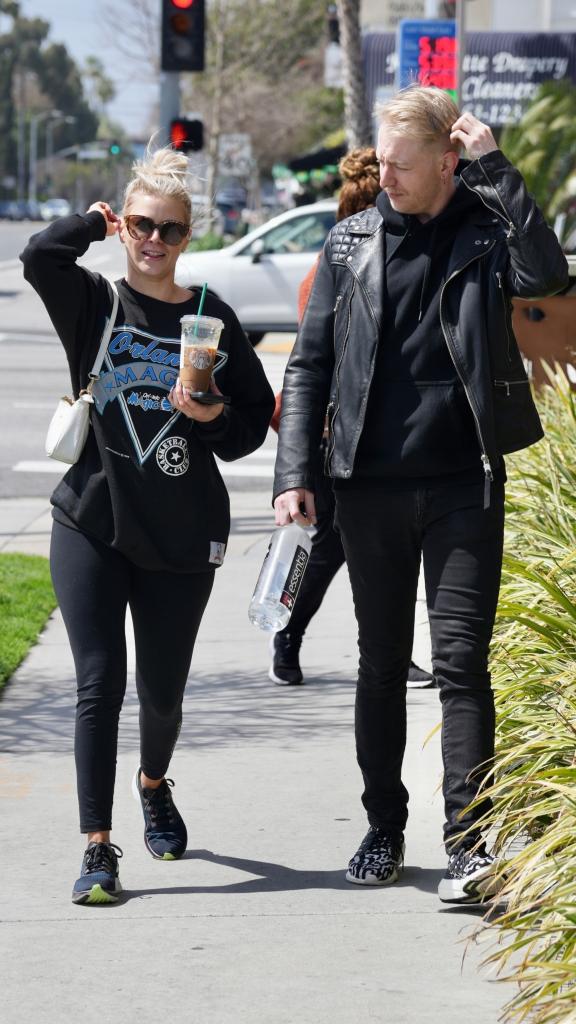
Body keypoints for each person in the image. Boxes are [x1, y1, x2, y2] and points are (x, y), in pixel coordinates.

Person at [272, 86, 568, 903]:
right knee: (377, 664)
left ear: (447, 159)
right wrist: (294, 474)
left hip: (463, 483)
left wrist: (498, 168)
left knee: (460, 665)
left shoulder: (483, 230)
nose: (387, 178)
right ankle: (383, 827)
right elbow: (308, 367)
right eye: (384, 162)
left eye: (404, 166)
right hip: (366, 487)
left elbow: (548, 271)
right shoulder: (348, 243)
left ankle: (469, 843)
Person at [21, 146, 274, 905]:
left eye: (169, 228)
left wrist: (213, 412)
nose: (154, 239)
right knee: (100, 682)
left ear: (188, 236)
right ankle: (98, 848)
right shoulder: (94, 304)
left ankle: (154, 782)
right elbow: (38, 258)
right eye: (141, 224)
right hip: (92, 518)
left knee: (162, 694)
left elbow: (251, 427)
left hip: (181, 529)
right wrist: (88, 222)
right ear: (125, 227)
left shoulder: (210, 318)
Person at [270, 147, 434, 689]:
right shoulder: (335, 266)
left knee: (357, 550)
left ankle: (319, 641)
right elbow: (315, 363)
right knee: (330, 547)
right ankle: (287, 634)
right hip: (335, 437)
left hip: (367, 437)